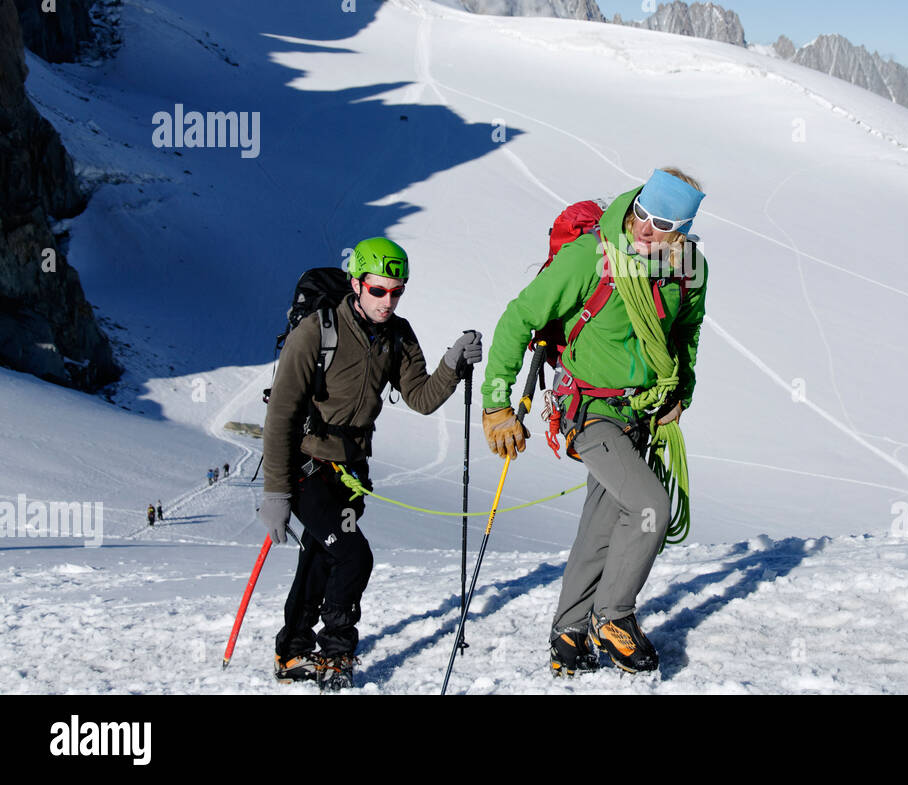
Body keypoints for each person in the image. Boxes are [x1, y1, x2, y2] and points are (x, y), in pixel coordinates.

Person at [481, 168, 707, 675]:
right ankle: (615, 617)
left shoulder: (688, 266)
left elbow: (686, 331)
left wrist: (679, 394)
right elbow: (520, 317)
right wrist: (497, 403)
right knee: (650, 506)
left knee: (604, 520)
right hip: (589, 409)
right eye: (642, 215)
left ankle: (569, 629)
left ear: (684, 231)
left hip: (642, 408)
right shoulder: (592, 256)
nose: (646, 230)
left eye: (663, 224)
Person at [258, 237, 481, 690]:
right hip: (307, 467)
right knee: (353, 555)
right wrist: (276, 492)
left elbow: (420, 397)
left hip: (352, 469)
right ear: (356, 284)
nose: (388, 300)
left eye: (397, 291)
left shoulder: (397, 335)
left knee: (321, 555)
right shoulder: (317, 333)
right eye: (378, 290)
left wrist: (452, 364)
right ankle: (336, 653)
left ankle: (292, 651)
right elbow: (280, 416)